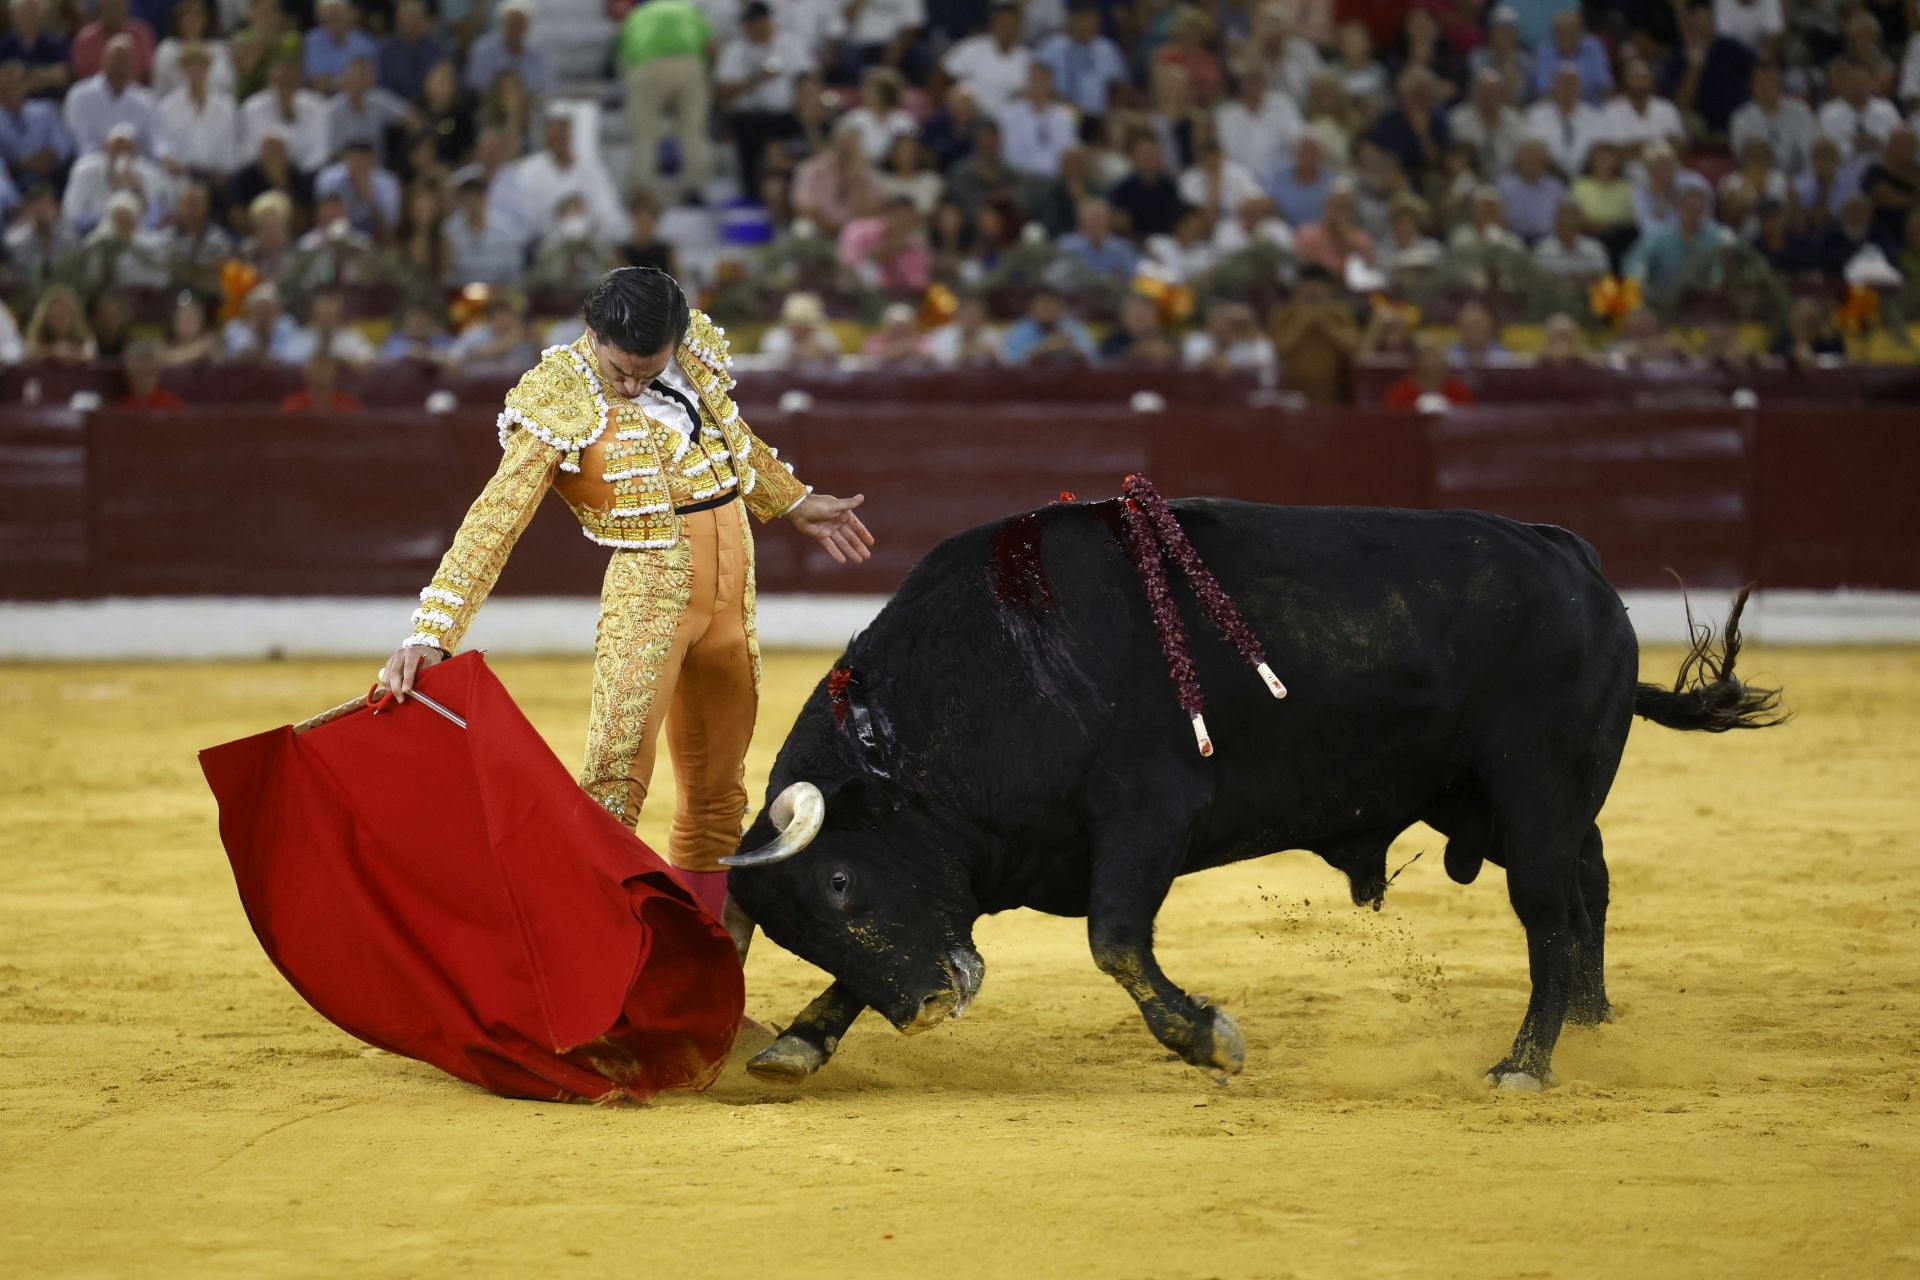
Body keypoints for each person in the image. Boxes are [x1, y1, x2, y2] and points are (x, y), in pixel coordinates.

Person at [379, 268, 874, 935]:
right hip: (649, 590)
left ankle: (703, 991)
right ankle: (594, 974)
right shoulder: (559, 393)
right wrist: (432, 631)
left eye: (650, 369)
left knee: (718, 799)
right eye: (622, 372)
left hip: (734, 589)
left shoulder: (691, 352)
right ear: (594, 332)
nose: (636, 385)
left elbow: (728, 439)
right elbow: (496, 518)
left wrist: (789, 499)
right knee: (612, 786)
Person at [714, 1, 814, 206]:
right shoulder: (734, 50)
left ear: (766, 21)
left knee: (804, 129)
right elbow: (722, 91)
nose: (752, 29)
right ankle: (750, 194)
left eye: (756, 23)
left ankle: (797, 196)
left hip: (786, 115)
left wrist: (804, 104)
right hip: (750, 116)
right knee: (746, 127)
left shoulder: (790, 44)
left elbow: (807, 79)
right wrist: (757, 78)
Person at [619, 0, 713, 207]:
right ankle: (694, 188)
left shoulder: (638, 14)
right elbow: (710, 47)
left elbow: (625, 58)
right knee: (693, 131)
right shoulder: (688, 10)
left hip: (647, 67)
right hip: (688, 66)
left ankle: (642, 190)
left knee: (644, 134)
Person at [63, 32, 156, 154]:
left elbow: (155, 142)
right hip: (91, 163)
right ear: (103, 60)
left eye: (125, 60)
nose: (120, 66)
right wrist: (109, 151)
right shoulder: (80, 95)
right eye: (117, 59)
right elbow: (78, 141)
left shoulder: (146, 99)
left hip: (134, 164)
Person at [1036, 1, 1127, 120]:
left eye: (1090, 17)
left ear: (1097, 19)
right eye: (1080, 18)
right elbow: (1036, 82)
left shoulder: (1107, 50)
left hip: (1099, 119)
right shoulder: (1052, 47)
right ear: (1069, 19)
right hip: (1061, 116)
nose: (1085, 24)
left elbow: (1121, 88)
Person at [940, 0, 1029, 107]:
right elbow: (942, 71)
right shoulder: (973, 47)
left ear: (1019, 27)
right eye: (1003, 22)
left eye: (1012, 23)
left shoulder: (1026, 58)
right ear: (993, 23)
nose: (1007, 28)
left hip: (1007, 118)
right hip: (972, 115)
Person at [0, 58, 72, 186]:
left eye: (16, 84)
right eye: (6, 85)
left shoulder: (45, 109)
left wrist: (50, 155)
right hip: (12, 180)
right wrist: (23, 164)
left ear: (25, 86)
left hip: (50, 175)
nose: (11, 90)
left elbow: (63, 144)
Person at [464, 0, 547, 98]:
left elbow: (542, 89)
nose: (516, 28)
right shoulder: (482, 50)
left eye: (520, 23)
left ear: (528, 27)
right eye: (512, 22)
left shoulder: (535, 56)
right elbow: (474, 88)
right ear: (501, 23)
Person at [1000, 286, 1095, 364]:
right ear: (1030, 309)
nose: (1045, 310)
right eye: (1040, 306)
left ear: (1059, 307)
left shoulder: (1074, 329)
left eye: (1049, 305)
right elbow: (1008, 365)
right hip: (1029, 383)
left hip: (1067, 382)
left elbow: (1095, 363)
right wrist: (1043, 348)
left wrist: (1071, 349)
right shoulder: (1018, 331)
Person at [377, 0, 447, 102]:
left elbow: (444, 81)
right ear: (397, 21)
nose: (413, 23)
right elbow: (381, 90)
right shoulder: (385, 50)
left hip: (428, 107)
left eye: (417, 18)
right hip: (394, 110)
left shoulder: (436, 49)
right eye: (408, 18)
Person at [302, 0, 376, 95]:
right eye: (329, 17)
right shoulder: (313, 41)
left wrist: (333, 81)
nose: (334, 22)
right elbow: (319, 84)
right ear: (322, 19)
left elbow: (367, 82)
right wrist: (351, 81)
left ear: (348, 15)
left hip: (356, 101)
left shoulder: (364, 42)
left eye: (338, 16)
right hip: (322, 101)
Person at [1057, 195, 1137, 281]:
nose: (1096, 223)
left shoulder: (1122, 248)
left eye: (1100, 218)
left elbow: (1132, 280)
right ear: (1081, 221)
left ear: (1109, 220)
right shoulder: (1065, 247)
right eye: (1092, 219)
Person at [1384, 334, 1474, 409]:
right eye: (1426, 356)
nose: (1431, 361)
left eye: (1436, 356)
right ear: (1416, 361)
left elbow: (1468, 418)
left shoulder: (1460, 391)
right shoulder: (1399, 393)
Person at [1098, 290, 1178, 366]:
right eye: (1134, 313)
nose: (1139, 319)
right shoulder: (1111, 343)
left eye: (1143, 313)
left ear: (1155, 317)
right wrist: (1140, 350)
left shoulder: (1168, 340)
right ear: (1122, 318)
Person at [757, 290, 842, 362]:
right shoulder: (775, 339)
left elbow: (835, 356)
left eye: (804, 326)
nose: (799, 330)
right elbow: (771, 360)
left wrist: (824, 353)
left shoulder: (824, 338)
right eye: (795, 325)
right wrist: (796, 353)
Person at [23, 283, 97, 362]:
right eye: (55, 315)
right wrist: (54, 351)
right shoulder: (36, 335)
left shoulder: (82, 335)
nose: (60, 320)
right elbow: (28, 351)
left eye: (64, 314)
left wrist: (68, 352)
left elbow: (89, 352)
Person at [280, 352, 365, 411]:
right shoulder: (292, 405)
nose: (320, 373)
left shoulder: (349, 405)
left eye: (325, 368)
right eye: (316, 368)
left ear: (334, 373)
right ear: (305, 373)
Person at [117, 339, 186, 409]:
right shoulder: (122, 407)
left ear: (157, 374)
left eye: (145, 374)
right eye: (134, 375)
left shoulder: (172, 404)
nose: (140, 381)